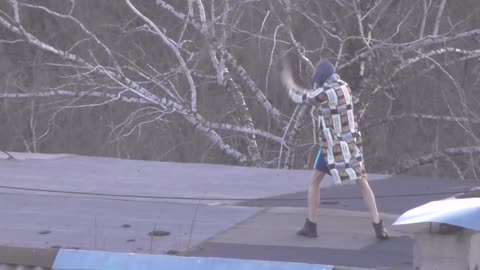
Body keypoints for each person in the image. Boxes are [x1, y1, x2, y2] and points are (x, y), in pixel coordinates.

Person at [282, 59, 389, 239]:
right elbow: (316, 94)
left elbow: (305, 98)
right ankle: (378, 226)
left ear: (323, 78)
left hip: (334, 148)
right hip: (352, 145)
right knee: (363, 182)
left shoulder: (326, 92)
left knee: (314, 182)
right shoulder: (344, 87)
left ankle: (311, 225)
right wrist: (304, 90)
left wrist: (290, 87)